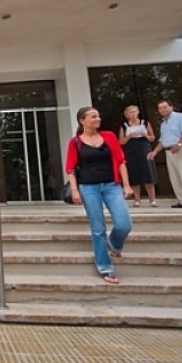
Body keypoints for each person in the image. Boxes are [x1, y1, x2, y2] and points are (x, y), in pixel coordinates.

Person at [66, 106, 133, 284]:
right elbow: (70, 169)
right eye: (93, 116)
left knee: (124, 223)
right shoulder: (75, 142)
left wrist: (126, 185)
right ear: (82, 120)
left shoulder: (109, 137)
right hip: (88, 188)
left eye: (98, 115)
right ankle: (105, 268)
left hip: (112, 185)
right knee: (98, 229)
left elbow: (121, 162)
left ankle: (114, 245)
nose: (98, 118)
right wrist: (74, 190)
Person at [147, 99, 182, 208]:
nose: (163, 110)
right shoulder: (163, 124)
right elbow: (162, 141)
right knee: (174, 177)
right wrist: (154, 152)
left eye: (165, 107)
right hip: (169, 151)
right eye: (160, 108)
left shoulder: (181, 117)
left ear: (171, 107)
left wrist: (179, 145)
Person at [118, 104, 157, 207]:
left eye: (134, 111)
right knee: (134, 174)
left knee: (148, 172)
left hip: (144, 148)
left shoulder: (145, 123)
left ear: (138, 112)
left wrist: (146, 135)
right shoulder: (124, 125)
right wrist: (129, 137)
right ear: (126, 115)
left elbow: (153, 137)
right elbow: (121, 141)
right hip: (131, 149)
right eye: (130, 112)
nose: (133, 114)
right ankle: (137, 200)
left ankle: (152, 199)